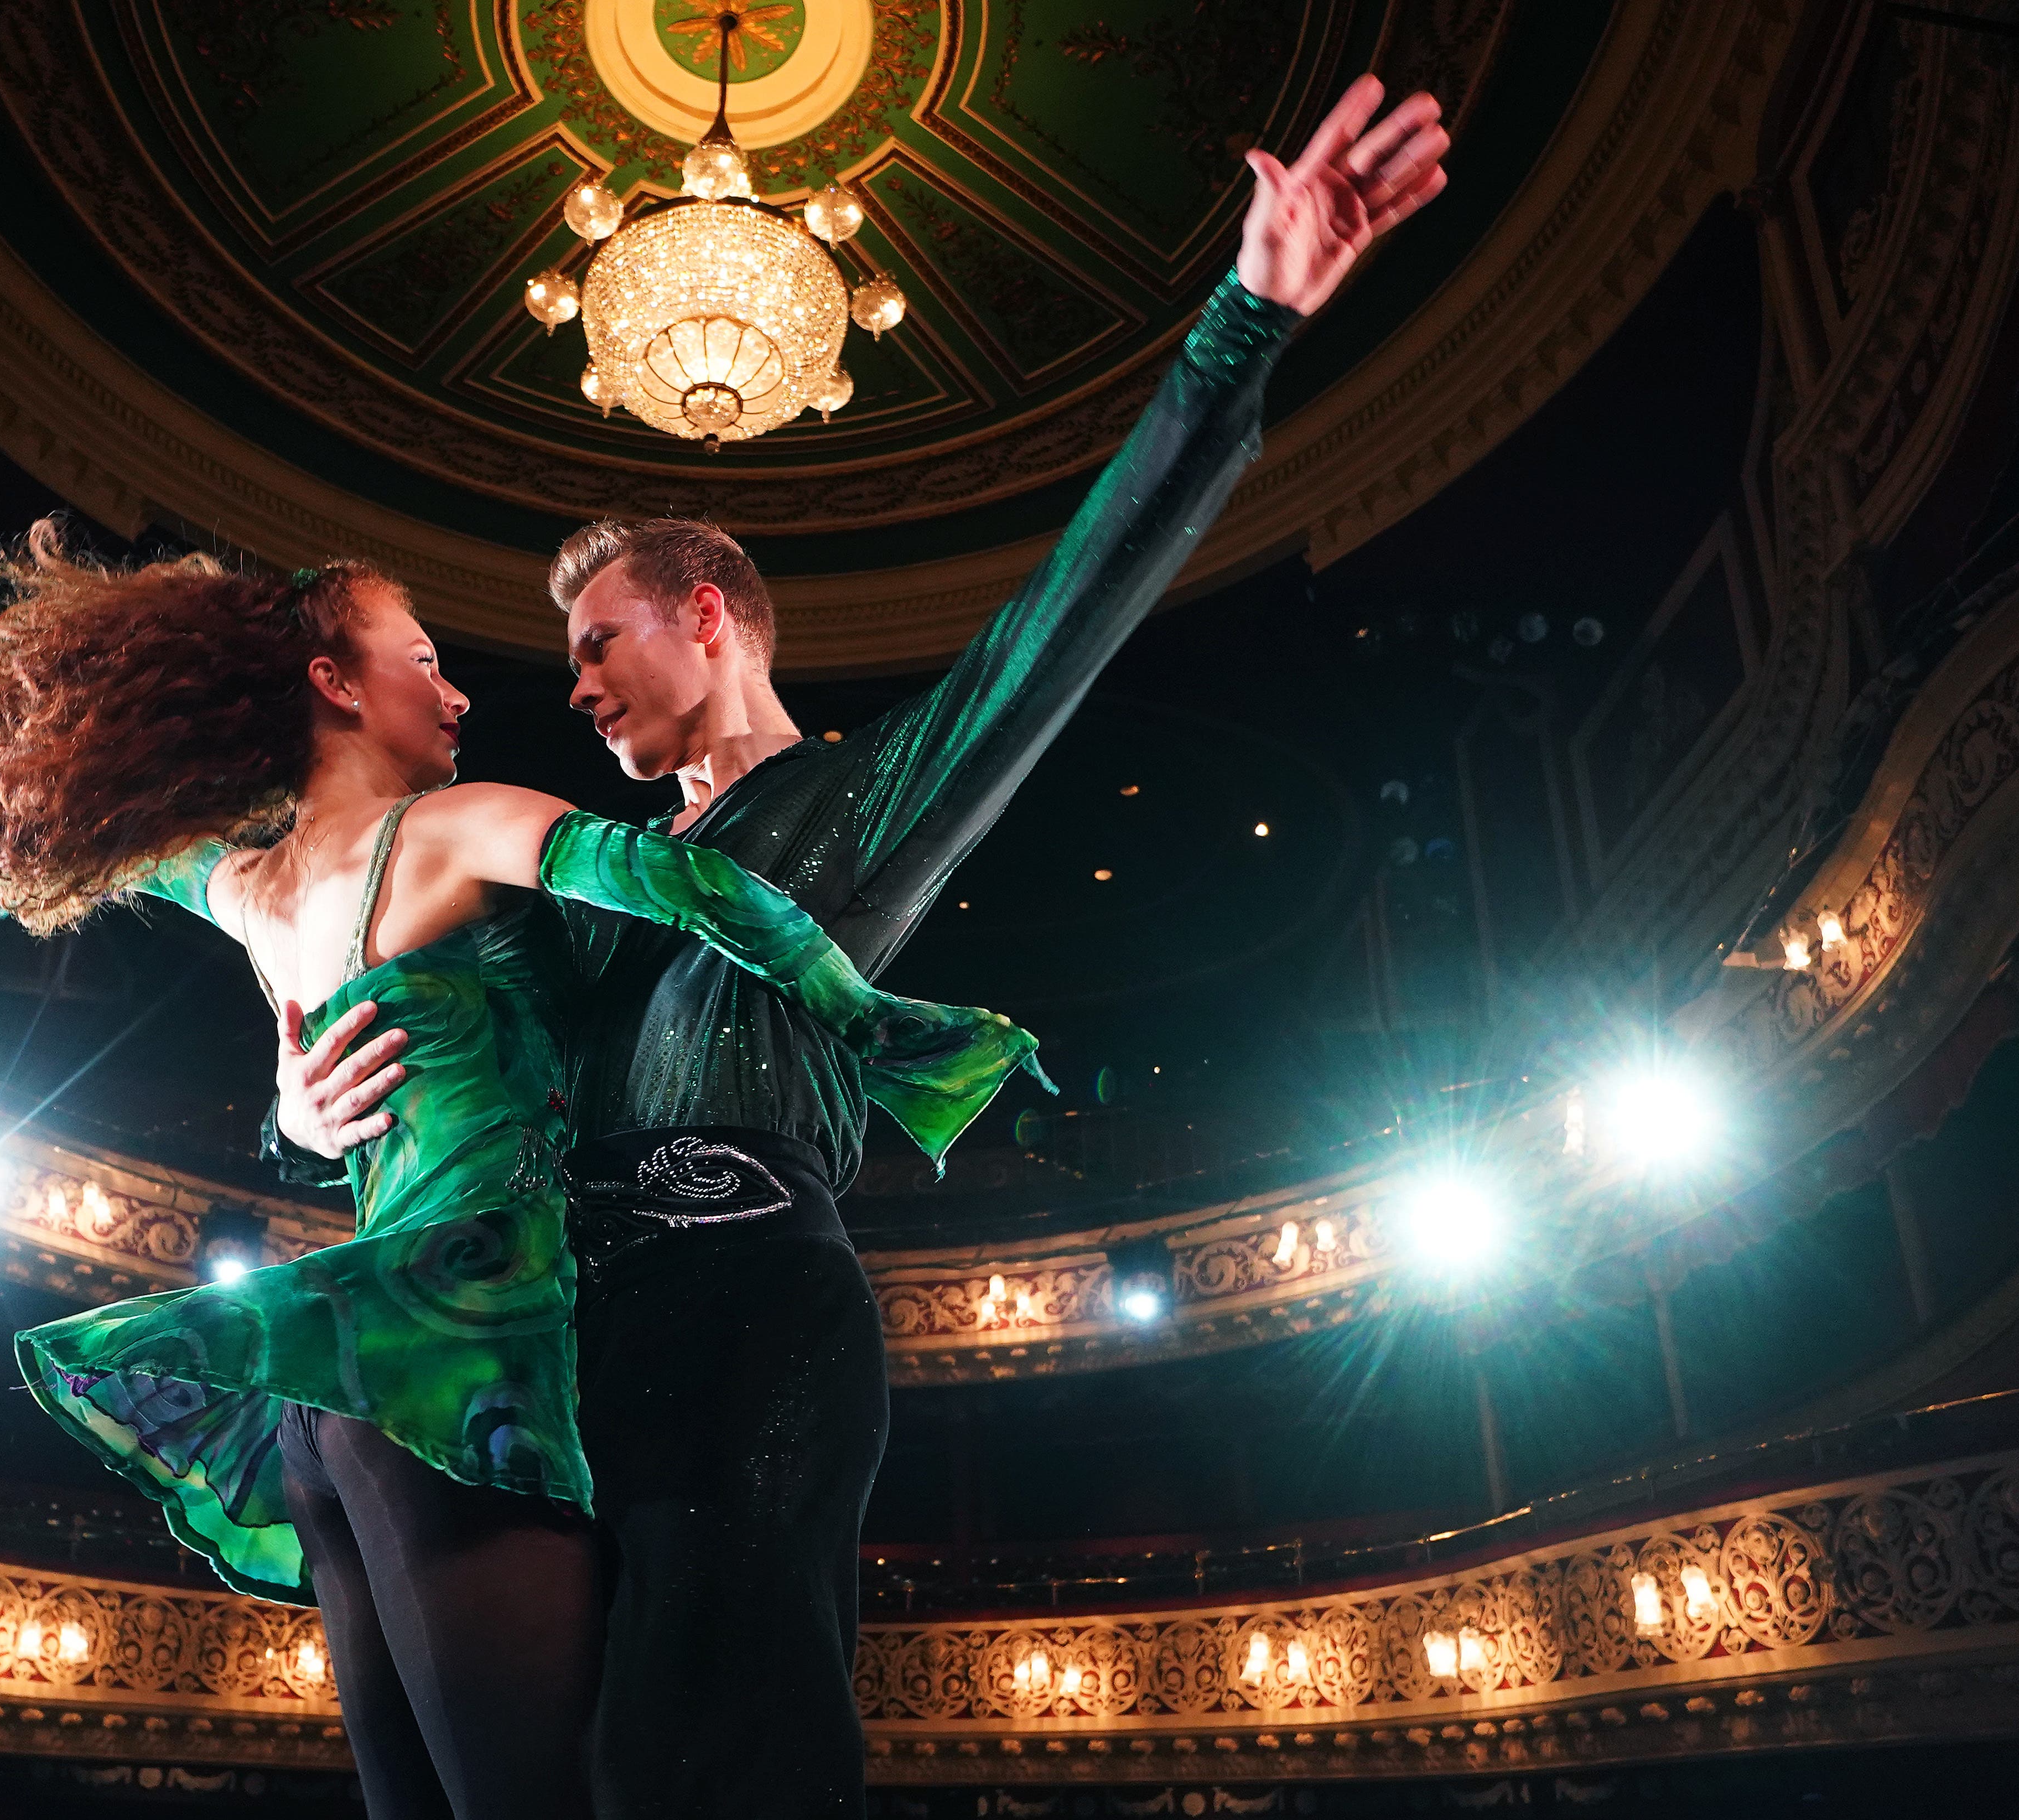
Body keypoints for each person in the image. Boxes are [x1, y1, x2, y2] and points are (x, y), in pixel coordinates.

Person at [272, 75, 1455, 1817]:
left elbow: (1074, 606)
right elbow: (408, 1015)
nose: (575, 681)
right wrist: (308, 1114)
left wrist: (1244, 319)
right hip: (554, 1335)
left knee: (702, 1762)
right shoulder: (576, 877)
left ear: (708, 612)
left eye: (600, 637)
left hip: (746, 1318)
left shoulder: (864, 804)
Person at [0, 529, 1045, 1818]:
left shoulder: (247, 890)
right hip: (465, 1356)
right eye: (427, 661)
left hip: (337, 1381)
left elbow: (114, 835)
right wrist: (889, 1026)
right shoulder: (456, 824)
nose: (458, 695)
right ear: (335, 683)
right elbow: (697, 885)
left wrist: (291, 1105)